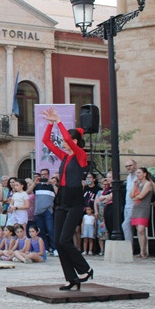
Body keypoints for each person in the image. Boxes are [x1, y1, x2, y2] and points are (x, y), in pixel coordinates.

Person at [41, 107, 92, 290]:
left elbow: (69, 138)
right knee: (58, 242)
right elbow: (46, 140)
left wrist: (59, 121)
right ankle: (72, 279)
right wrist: (50, 124)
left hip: (75, 201)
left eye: (65, 140)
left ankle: (85, 269)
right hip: (61, 199)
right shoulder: (65, 156)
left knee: (64, 240)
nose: (63, 143)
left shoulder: (81, 156)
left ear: (75, 142)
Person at [30, 169, 57, 256]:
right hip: (38, 212)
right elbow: (28, 192)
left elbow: (57, 193)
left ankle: (55, 248)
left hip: (48, 211)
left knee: (50, 230)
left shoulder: (52, 186)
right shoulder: (37, 186)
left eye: (45, 174)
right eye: (42, 175)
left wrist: (52, 184)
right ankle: (45, 248)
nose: (43, 176)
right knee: (40, 231)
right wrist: (34, 182)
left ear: (49, 175)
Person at [129, 167, 154, 258]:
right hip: (136, 208)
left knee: (141, 229)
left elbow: (141, 196)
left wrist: (134, 198)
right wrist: (134, 185)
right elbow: (131, 195)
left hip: (143, 208)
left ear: (144, 174)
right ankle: (141, 251)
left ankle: (144, 251)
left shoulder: (148, 184)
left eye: (139, 173)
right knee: (138, 231)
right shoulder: (138, 183)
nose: (137, 175)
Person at [123, 160, 138, 243]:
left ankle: (128, 246)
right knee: (129, 227)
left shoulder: (138, 176)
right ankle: (130, 247)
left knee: (125, 225)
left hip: (134, 205)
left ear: (135, 165)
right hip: (127, 205)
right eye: (127, 166)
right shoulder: (128, 177)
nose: (128, 167)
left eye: (130, 165)